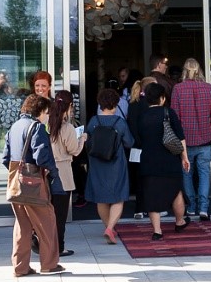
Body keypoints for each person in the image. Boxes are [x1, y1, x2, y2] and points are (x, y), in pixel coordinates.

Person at [2, 94, 65, 276]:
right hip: (35, 184)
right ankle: (49, 264)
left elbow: (5, 158)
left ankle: (20, 267)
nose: (46, 116)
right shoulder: (36, 127)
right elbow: (41, 157)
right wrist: (53, 174)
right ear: (39, 111)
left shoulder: (14, 127)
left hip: (16, 184)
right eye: (46, 112)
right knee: (47, 223)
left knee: (22, 226)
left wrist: (18, 173)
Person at [133, 82, 190, 240]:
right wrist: (184, 157)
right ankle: (179, 221)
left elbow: (139, 138)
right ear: (162, 98)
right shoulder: (169, 113)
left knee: (151, 194)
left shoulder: (142, 117)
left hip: (149, 160)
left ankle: (157, 230)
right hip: (169, 159)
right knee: (176, 191)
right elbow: (180, 137)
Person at [171, 57, 211, 220]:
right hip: (205, 137)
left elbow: (174, 117)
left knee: (186, 174)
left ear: (185, 71)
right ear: (199, 70)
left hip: (185, 139)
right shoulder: (208, 88)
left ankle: (191, 206)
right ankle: (204, 208)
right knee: (204, 173)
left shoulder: (178, 89)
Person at [84, 88, 134, 244]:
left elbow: (87, 141)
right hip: (116, 163)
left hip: (97, 163)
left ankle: (109, 228)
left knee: (101, 199)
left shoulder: (93, 121)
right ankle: (110, 228)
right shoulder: (119, 122)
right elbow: (129, 142)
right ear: (116, 104)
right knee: (118, 197)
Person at [47, 91, 85, 257]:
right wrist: (82, 138)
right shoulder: (67, 127)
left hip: (47, 171)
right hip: (63, 172)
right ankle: (59, 247)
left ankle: (46, 244)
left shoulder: (47, 124)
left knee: (49, 212)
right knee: (60, 215)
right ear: (70, 106)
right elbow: (74, 150)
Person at [125, 76, 153, 218]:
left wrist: (137, 140)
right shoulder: (148, 104)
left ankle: (139, 208)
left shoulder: (133, 103)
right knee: (149, 177)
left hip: (135, 147)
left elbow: (132, 125)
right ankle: (148, 207)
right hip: (147, 146)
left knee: (138, 177)